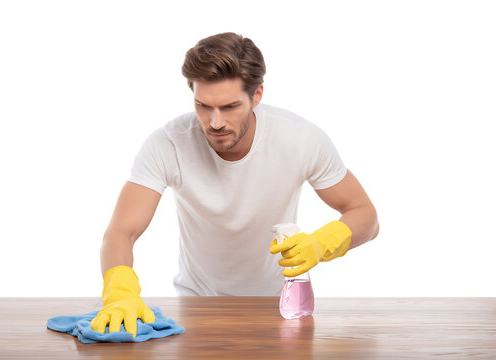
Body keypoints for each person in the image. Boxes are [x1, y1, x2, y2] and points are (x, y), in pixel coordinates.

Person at [90, 32, 379, 337]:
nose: (214, 122)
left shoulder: (300, 140)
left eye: (229, 107)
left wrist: (322, 243)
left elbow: (366, 216)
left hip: (279, 309)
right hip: (196, 309)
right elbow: (121, 231)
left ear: (257, 95)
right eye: (203, 106)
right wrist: (120, 293)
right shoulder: (168, 144)